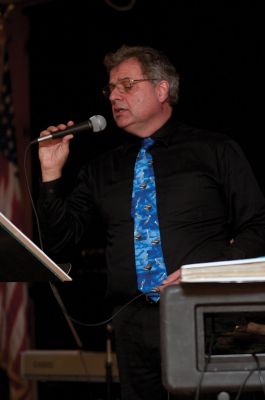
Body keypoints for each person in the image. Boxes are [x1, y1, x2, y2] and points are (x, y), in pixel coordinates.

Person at [37, 44, 265, 400]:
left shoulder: (214, 150)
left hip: (203, 314)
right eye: (110, 88)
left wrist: (205, 272)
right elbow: (58, 245)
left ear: (162, 89)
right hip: (132, 324)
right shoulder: (102, 168)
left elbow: (259, 226)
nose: (114, 96)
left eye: (126, 85)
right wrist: (51, 175)